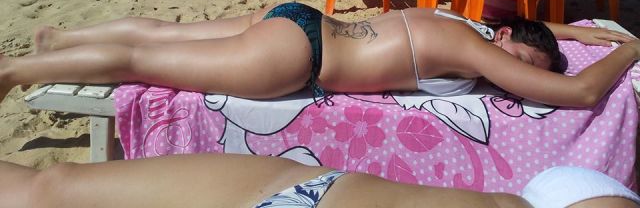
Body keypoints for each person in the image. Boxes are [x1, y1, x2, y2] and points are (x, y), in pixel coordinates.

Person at [0, 3, 636, 106]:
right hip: (298, 55)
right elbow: (582, 93)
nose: (516, 78)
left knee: (166, 33)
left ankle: (63, 39)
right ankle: (15, 71)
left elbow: (530, 29)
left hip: (300, 18)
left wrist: (573, 34)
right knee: (139, 62)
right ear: (506, 42)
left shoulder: (461, 20)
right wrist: (629, 49)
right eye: (524, 63)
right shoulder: (478, 50)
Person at [1, 152, 638, 208]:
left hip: (306, 191)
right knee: (54, 189)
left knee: (52, 189)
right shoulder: (566, 188)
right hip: (305, 191)